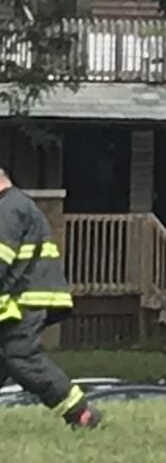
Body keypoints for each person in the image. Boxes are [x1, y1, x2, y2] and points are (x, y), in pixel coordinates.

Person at [0, 167, 96, 430]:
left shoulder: (7, 208)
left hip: (26, 299)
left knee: (20, 356)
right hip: (22, 298)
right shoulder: (16, 206)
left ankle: (81, 413)